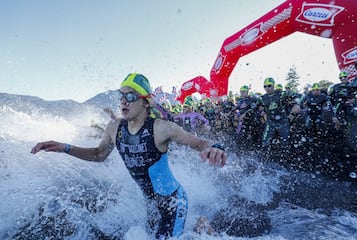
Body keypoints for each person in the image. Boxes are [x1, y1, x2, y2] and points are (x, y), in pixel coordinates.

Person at [31, 73, 226, 239]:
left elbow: (199, 142)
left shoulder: (161, 128)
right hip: (150, 203)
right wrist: (65, 147)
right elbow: (98, 154)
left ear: (145, 102)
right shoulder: (114, 128)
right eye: (121, 95)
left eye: (131, 96)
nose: (124, 100)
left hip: (173, 201)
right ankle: (200, 227)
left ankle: (202, 229)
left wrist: (215, 147)